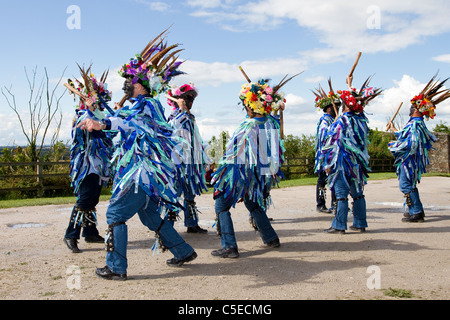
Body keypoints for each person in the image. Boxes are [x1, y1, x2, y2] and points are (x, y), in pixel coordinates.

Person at [77, 34, 196, 280]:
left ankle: (116, 267)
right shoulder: (146, 104)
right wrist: (102, 114)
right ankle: (183, 251)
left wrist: (101, 123)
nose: (125, 85)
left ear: (142, 84)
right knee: (149, 215)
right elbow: (126, 119)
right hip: (150, 175)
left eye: (129, 80)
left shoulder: (145, 106)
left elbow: (128, 121)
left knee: (114, 215)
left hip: (141, 174)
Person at [210, 77, 293, 258]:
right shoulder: (269, 123)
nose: (245, 108)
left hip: (240, 173)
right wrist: (278, 110)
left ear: (252, 106)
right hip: (258, 175)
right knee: (253, 203)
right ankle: (270, 238)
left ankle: (229, 246)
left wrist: (222, 176)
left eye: (246, 105)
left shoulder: (247, 126)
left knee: (221, 204)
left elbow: (234, 153)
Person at [320, 76, 382, 233]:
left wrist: (327, 163)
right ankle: (360, 223)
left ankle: (339, 225)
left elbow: (332, 142)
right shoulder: (361, 121)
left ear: (347, 105)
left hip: (341, 163)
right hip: (356, 164)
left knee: (341, 194)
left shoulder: (342, 121)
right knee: (357, 193)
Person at [63, 67, 115, 253]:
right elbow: (95, 133)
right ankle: (71, 235)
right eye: (94, 98)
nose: (98, 101)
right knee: (84, 200)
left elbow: (112, 130)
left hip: (99, 164)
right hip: (86, 164)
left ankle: (90, 232)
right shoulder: (82, 116)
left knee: (92, 198)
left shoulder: (99, 116)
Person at [387, 75, 450, 223]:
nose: (410, 108)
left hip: (408, 161)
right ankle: (416, 210)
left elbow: (411, 144)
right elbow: (406, 136)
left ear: (417, 109)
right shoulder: (416, 123)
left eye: (413, 106)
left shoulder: (415, 124)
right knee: (409, 185)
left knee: (405, 185)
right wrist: (395, 129)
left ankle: (416, 212)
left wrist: (394, 146)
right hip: (411, 161)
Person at [313, 85, 338, 214]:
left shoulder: (332, 120)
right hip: (325, 156)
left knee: (334, 179)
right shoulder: (325, 121)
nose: (337, 108)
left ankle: (335, 203)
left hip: (332, 155)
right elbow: (324, 136)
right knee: (323, 181)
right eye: (335, 106)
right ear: (329, 108)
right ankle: (321, 204)